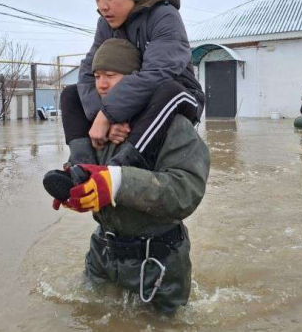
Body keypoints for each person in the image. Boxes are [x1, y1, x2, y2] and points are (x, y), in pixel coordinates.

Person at [45, 38, 210, 314]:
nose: (101, 84)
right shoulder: (97, 125)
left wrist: (117, 184)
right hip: (103, 253)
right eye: (97, 76)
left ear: (135, 79)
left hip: (158, 262)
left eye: (111, 75)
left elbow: (186, 191)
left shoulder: (173, 124)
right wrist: (77, 186)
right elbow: (92, 171)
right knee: (87, 317)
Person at [60, 0, 204, 168]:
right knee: (70, 94)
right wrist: (102, 115)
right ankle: (81, 165)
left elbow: (157, 74)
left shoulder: (164, 16)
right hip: (128, 104)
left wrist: (106, 116)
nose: (102, 6)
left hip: (178, 97)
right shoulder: (105, 26)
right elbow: (88, 72)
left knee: (168, 89)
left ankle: (123, 166)